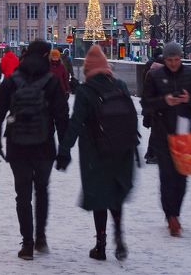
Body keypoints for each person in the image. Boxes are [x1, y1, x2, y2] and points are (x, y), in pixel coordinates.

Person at [0, 40, 70, 260]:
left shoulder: (13, 80)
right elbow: (62, 117)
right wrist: (64, 149)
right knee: (42, 190)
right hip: (44, 144)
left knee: (22, 195)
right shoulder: (52, 81)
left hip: (17, 144)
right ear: (45, 57)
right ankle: (41, 237)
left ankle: (27, 243)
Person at [55, 46, 135, 262]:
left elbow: (76, 122)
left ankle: (101, 245)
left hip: (95, 152)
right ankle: (119, 233)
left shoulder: (86, 91)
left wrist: (64, 151)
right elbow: (131, 117)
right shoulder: (119, 85)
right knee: (115, 194)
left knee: (100, 195)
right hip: (121, 149)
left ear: (88, 68)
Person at [140, 42, 191, 237]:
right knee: (166, 176)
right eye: (169, 60)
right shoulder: (155, 75)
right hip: (162, 132)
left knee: (181, 176)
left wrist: (190, 99)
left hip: (184, 133)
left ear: (181, 58)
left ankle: (175, 213)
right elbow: (145, 104)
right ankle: (170, 216)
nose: (173, 63)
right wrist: (164, 102)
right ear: (164, 60)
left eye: (176, 59)